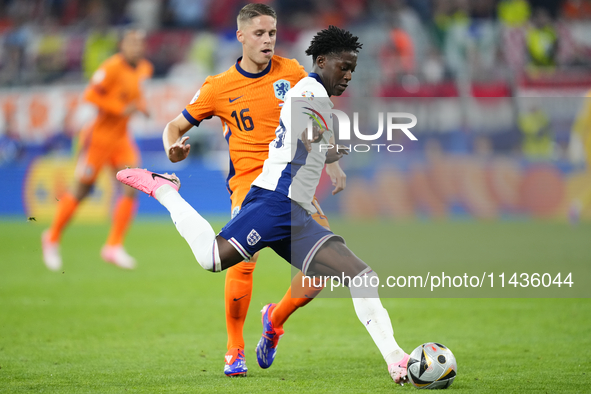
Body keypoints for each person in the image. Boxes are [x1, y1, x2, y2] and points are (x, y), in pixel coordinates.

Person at [117, 25, 409, 385]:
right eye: (343, 67)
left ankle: (396, 359)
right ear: (321, 61)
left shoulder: (311, 90)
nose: (348, 75)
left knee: (360, 275)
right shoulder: (308, 90)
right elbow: (312, 134)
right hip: (272, 201)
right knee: (212, 259)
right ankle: (164, 190)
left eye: (353, 69)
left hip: (295, 211)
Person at [157, 3, 346, 377]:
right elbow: (173, 127)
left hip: (293, 183)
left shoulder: (292, 72)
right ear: (241, 36)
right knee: (243, 259)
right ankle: (234, 349)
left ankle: (274, 320)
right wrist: (172, 148)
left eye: (272, 33)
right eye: (259, 33)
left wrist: (332, 161)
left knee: (325, 269)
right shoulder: (218, 87)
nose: (267, 40)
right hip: (249, 185)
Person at [42, 29, 153, 270]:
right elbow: (90, 95)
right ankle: (51, 238)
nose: (137, 47)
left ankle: (113, 246)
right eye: (132, 43)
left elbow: (135, 96)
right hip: (99, 138)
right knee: (82, 190)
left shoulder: (144, 68)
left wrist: (141, 107)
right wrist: (119, 108)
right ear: (122, 45)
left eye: (140, 43)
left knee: (133, 186)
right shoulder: (111, 67)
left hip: (122, 139)